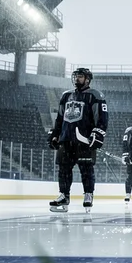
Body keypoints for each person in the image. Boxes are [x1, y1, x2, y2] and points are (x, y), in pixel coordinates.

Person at [47, 68, 109, 212]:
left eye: (80, 77)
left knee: (86, 169)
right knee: (64, 170)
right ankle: (64, 195)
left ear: (87, 79)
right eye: (75, 76)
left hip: (84, 140)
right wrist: (55, 134)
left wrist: (98, 134)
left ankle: (88, 195)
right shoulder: (66, 95)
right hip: (66, 139)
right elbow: (60, 118)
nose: (76, 79)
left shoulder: (95, 95)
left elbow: (102, 119)